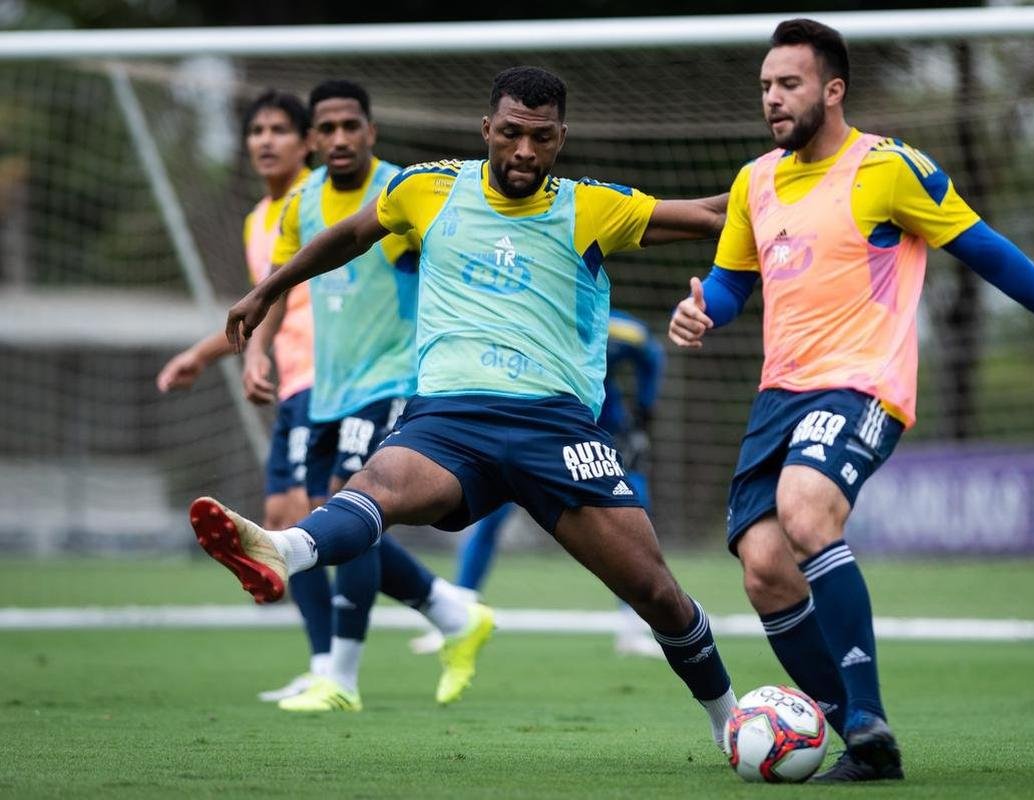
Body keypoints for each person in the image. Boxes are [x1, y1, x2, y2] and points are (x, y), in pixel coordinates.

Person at [668, 18, 1034, 782]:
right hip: (779, 395)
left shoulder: (888, 168)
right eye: (765, 85)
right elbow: (735, 279)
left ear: (831, 90)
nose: (772, 98)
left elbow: (987, 250)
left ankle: (866, 721)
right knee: (763, 567)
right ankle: (855, 738)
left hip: (862, 382)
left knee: (804, 511)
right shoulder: (753, 180)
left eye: (788, 84)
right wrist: (705, 310)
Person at [194, 66, 740, 752]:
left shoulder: (591, 206)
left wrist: (779, 182)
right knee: (377, 484)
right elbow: (349, 234)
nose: (522, 152)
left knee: (656, 592)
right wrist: (265, 291)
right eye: (510, 133)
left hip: (557, 427)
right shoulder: (427, 189)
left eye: (540, 139)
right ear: (486, 128)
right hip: (449, 419)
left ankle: (730, 721)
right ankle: (283, 551)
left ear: (560, 139)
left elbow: (715, 215)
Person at [228, 79, 495, 712]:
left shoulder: (407, 191)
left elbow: (457, 259)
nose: (341, 138)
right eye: (329, 128)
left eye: (353, 126)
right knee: (330, 522)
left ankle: (339, 678)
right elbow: (282, 283)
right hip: (329, 387)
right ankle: (452, 613)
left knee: (355, 505)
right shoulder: (301, 204)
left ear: (371, 131)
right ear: (313, 140)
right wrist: (259, 352)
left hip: (395, 380)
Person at [155, 89, 342, 702]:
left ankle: (331, 669)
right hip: (293, 379)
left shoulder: (323, 200)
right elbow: (260, 305)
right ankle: (442, 608)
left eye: (279, 129)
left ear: (307, 141)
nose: (265, 140)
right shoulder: (257, 219)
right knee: (316, 526)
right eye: (255, 130)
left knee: (297, 524)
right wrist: (202, 354)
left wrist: (251, 352)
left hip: (335, 376)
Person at [407, 308, 666, 659]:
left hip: (595, 440)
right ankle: (458, 618)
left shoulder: (622, 332)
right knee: (490, 519)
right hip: (532, 436)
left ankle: (633, 628)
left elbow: (652, 357)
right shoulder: (525, 321)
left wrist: (643, 418)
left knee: (632, 515)